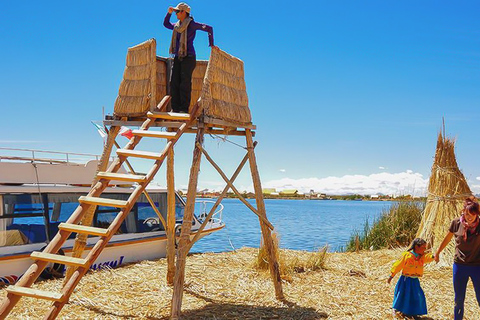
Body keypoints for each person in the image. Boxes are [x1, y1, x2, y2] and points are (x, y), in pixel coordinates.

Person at [435, 196, 480, 320]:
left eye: (472, 214)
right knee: (459, 299)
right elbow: (447, 238)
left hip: (477, 266)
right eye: (466, 213)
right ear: (463, 212)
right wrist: (438, 252)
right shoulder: (456, 223)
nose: (469, 217)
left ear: (477, 214)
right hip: (460, 265)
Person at [163, 2, 214, 113]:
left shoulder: (192, 24)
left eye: (177, 11)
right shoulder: (177, 26)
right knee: (174, 82)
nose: (176, 13)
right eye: (175, 11)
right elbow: (166, 24)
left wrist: (212, 44)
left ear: (184, 12)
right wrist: (169, 13)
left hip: (189, 57)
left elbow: (209, 28)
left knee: (185, 83)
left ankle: (183, 109)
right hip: (178, 57)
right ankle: (175, 108)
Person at [387, 238, 435, 318]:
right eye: (423, 247)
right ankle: (396, 309)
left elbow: (428, 258)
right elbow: (398, 265)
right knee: (402, 294)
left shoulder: (422, 257)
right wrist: (391, 275)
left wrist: (434, 256)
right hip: (406, 280)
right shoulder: (407, 255)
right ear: (416, 247)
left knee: (416, 295)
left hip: (415, 280)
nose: (424, 250)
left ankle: (413, 312)